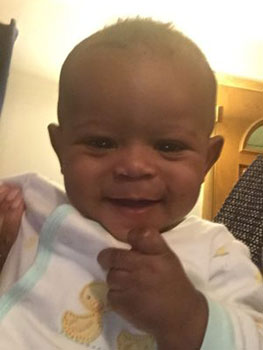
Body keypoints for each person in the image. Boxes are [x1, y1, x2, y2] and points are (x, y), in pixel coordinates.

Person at [0, 18, 262, 350]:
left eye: (168, 146)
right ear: (60, 149)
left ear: (206, 161)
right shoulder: (34, 206)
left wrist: (188, 319)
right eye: (102, 143)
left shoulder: (217, 253)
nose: (134, 167)